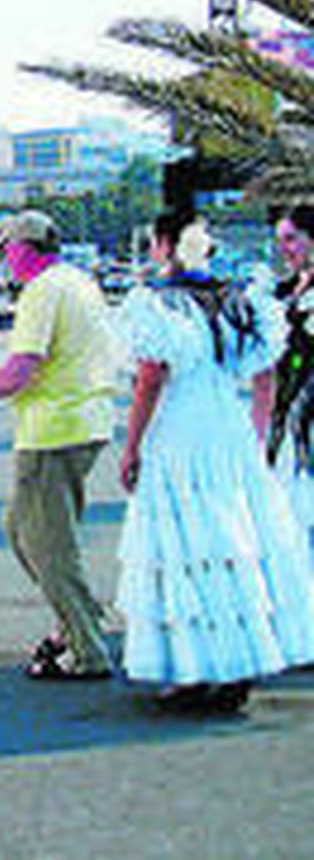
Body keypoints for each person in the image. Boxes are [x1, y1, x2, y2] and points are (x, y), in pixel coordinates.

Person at [114, 210, 314, 712]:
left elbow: (151, 378)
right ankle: (237, 663)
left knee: (185, 547)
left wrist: (132, 445)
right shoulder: (237, 302)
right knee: (234, 543)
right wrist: (257, 433)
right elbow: (265, 373)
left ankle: (194, 668)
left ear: (163, 246)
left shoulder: (158, 304)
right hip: (228, 427)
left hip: (181, 430)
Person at [0, 208, 118, 681]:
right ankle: (80, 619)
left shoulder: (40, 293)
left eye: (6, 249)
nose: (4, 258)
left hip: (53, 432)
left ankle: (86, 648)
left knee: (47, 545)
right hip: (86, 421)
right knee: (19, 527)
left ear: (23, 248)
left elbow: (22, 370)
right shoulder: (78, 282)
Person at [270, 204, 314, 564]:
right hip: (287, 407)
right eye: (279, 241)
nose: (285, 248)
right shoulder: (283, 290)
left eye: (291, 239)